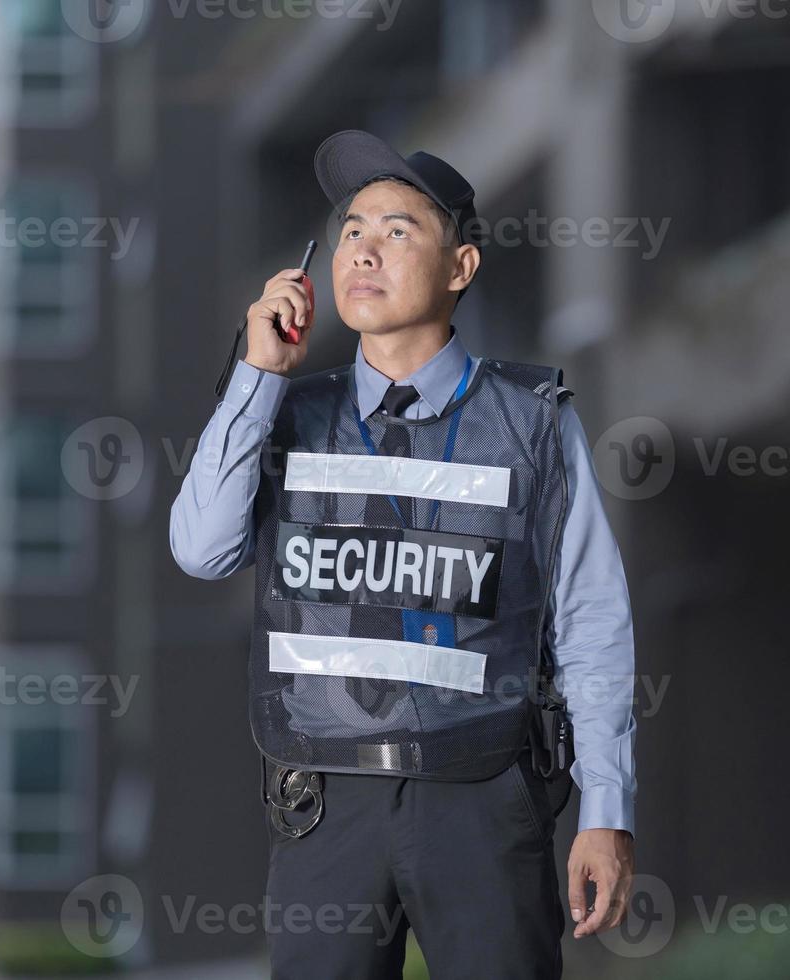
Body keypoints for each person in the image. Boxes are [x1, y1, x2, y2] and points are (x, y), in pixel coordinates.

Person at [170, 129, 637, 978]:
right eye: (351, 231)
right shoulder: (280, 409)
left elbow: (593, 619)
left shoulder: (534, 421)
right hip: (323, 799)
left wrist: (608, 807)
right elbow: (202, 552)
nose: (364, 251)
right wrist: (256, 375)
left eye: (397, 231)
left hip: (486, 794)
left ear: (459, 268)